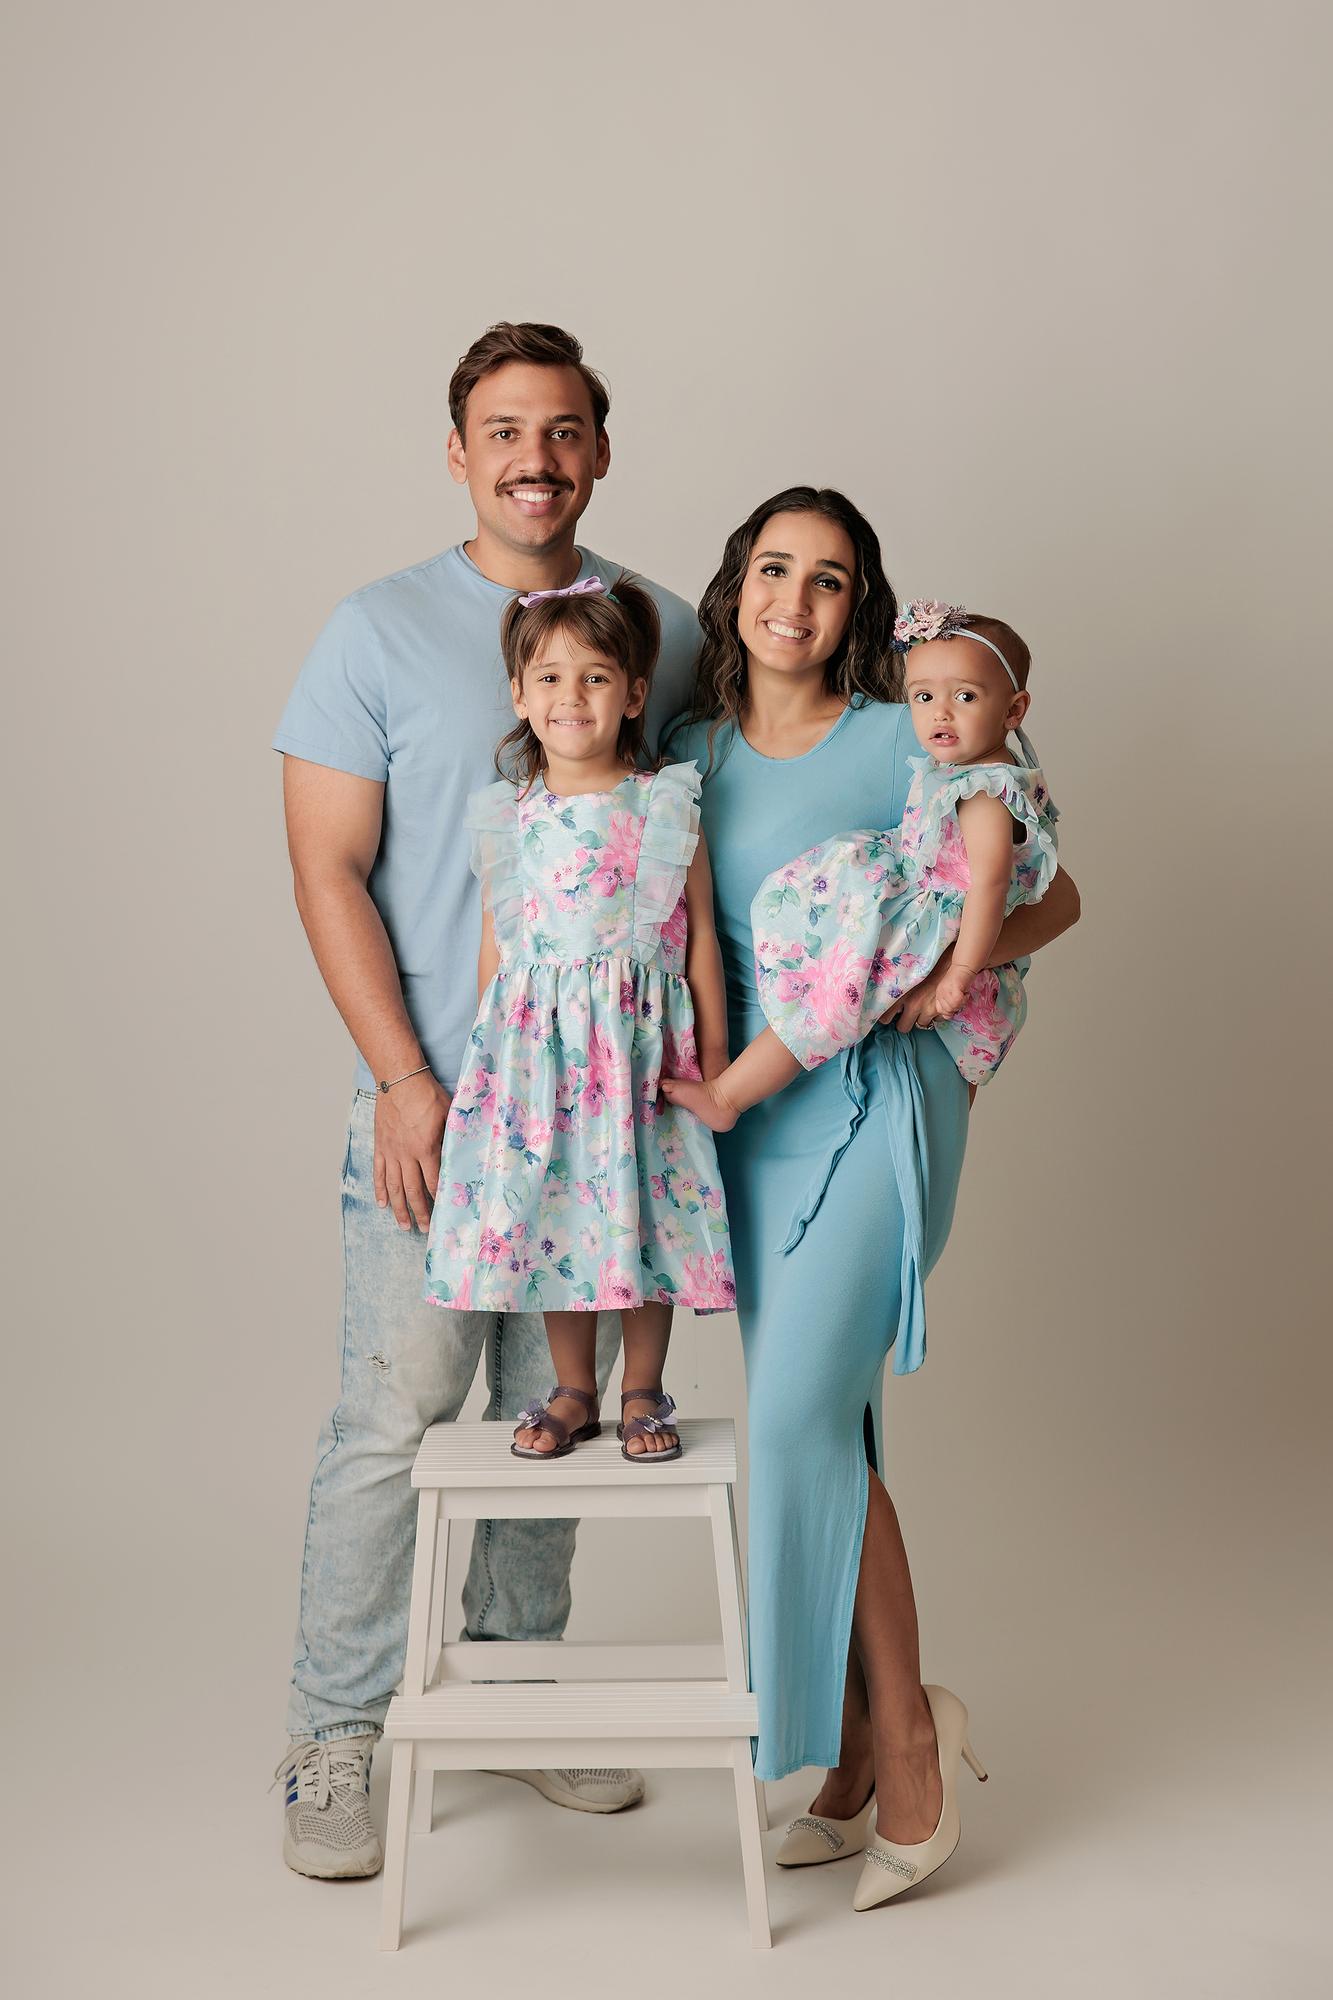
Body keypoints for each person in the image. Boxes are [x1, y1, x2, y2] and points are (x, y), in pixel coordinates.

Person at [271, 323, 700, 1879]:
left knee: (551, 1417)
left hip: (607, 1126)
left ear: (599, 448)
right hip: (445, 1109)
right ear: (458, 451)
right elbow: (327, 869)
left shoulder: (659, 629)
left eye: (566, 428)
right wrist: (403, 1079)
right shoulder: (374, 632)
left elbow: (725, 823)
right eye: (504, 429)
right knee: (392, 1419)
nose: (537, 455)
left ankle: (519, 1689)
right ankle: (337, 1732)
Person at [666, 488, 1080, 1912]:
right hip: (749, 1122)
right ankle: (845, 1755)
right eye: (773, 569)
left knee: (791, 1421)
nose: (796, 598)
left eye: (829, 579)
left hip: (878, 1104)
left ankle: (909, 1745)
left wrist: (951, 976)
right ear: (736, 590)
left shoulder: (904, 731)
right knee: (825, 1422)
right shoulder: (688, 751)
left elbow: (1056, 892)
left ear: (859, 609)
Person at [422, 574, 734, 1462]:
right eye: (550, 679)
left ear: (634, 693)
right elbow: (501, 950)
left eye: (596, 678)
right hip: (538, 1064)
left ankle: (644, 1389)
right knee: (560, 1212)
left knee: (644, 1210)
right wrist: (483, 1069)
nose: (571, 698)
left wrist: (711, 1059)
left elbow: (700, 933)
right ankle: (573, 1389)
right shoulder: (506, 818)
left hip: (639, 1055)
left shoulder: (665, 804)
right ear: (519, 694)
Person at [662, 597, 1059, 1135]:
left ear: (1013, 711)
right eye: (923, 696)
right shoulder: (972, 770)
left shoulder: (987, 792)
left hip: (941, 933)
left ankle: (727, 1095)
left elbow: (989, 886)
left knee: (834, 993)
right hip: (930, 912)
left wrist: (958, 972)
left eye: (965, 696)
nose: (940, 713)